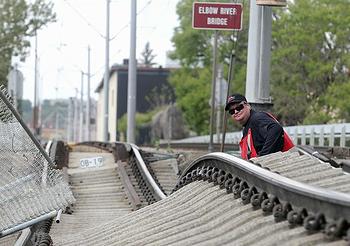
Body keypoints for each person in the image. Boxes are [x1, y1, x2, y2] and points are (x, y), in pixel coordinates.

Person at [225, 93, 294, 160]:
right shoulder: (247, 127)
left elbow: (276, 129)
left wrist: (262, 158)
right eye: (232, 111)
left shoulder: (256, 118)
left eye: (239, 107)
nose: (236, 112)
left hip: (285, 164)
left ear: (248, 106)